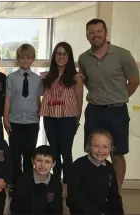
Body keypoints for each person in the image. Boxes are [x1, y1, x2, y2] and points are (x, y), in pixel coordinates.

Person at [79, 18, 140, 189]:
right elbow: (87, 81)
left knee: (117, 153)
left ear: (106, 33)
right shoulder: (84, 58)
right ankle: (94, 189)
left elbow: (134, 81)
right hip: (94, 111)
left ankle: (116, 192)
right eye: (91, 32)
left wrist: (119, 97)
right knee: (93, 152)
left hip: (117, 112)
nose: (95, 35)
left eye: (99, 31)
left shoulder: (122, 54)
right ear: (87, 35)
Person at [40, 42, 83, 197]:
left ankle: (68, 184)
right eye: (58, 53)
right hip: (50, 118)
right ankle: (55, 182)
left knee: (66, 152)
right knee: (54, 151)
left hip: (68, 119)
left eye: (64, 54)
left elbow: (79, 101)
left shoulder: (76, 77)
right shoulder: (46, 76)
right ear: (54, 56)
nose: (61, 57)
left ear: (69, 57)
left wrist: (77, 121)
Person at [3, 44, 43, 194]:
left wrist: (39, 118)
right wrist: (5, 119)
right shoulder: (11, 78)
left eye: (28, 58)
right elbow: (7, 99)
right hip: (15, 121)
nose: (25, 60)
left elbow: (38, 100)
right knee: (15, 153)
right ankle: (15, 182)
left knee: (29, 153)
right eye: (22, 58)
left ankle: (27, 182)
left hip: (32, 121)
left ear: (32, 59)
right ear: (17, 59)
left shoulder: (38, 79)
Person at [66, 129, 124, 215]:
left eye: (105, 147)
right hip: (82, 211)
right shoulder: (77, 166)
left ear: (111, 148)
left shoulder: (109, 167)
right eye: (96, 146)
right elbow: (75, 198)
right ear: (89, 146)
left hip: (102, 210)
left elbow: (114, 195)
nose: (100, 150)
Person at [10, 145, 63, 215]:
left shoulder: (56, 183)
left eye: (47, 162)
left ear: (53, 164)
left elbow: (58, 209)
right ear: (33, 161)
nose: (43, 165)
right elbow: (16, 208)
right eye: (39, 160)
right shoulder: (23, 181)